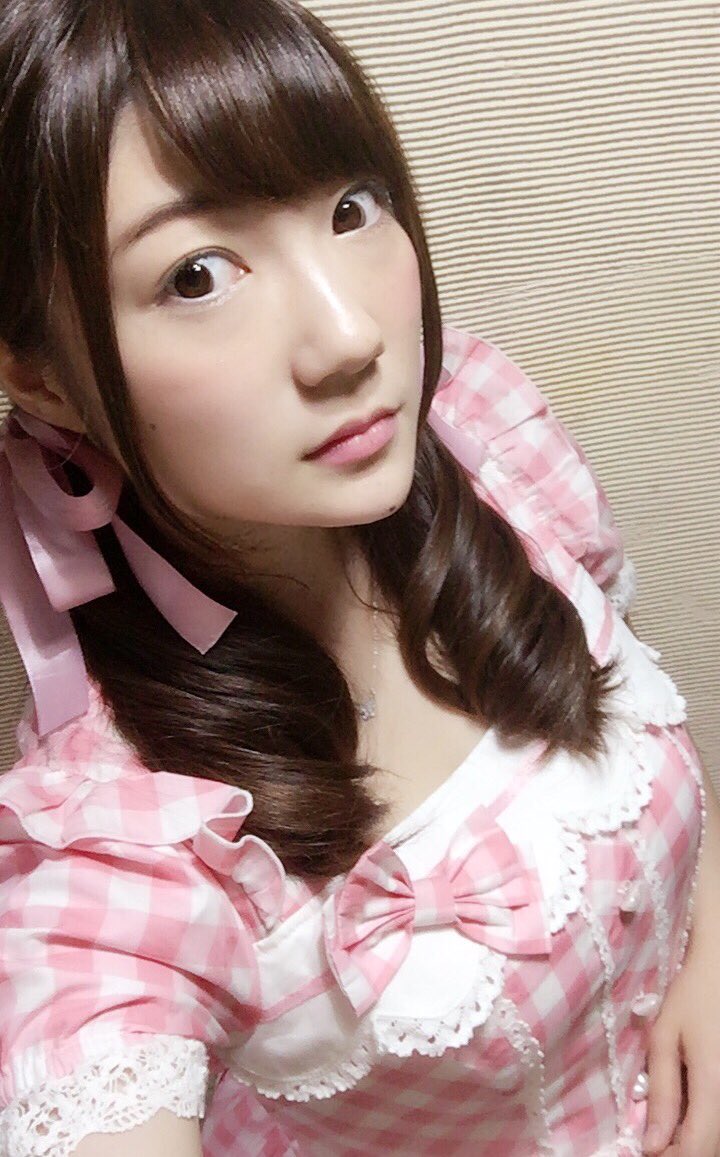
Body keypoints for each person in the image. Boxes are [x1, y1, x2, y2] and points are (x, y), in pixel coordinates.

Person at [0, 0, 718, 1153]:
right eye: (197, 275)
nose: (349, 339)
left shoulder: (481, 436)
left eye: (350, 208)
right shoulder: (126, 842)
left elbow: (643, 692)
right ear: (43, 380)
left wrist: (707, 952)